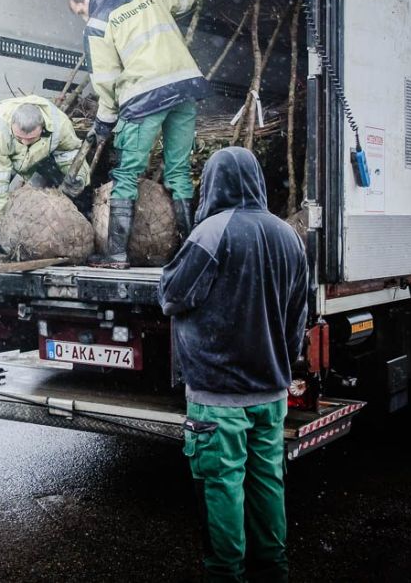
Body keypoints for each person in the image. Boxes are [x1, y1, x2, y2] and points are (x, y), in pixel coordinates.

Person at [159, 147, 308, 582]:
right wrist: (280, 364)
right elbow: (298, 317)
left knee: (222, 488)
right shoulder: (289, 236)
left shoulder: (210, 232)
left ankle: (226, 575)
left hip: (217, 398)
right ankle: (272, 572)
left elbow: (173, 296)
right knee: (268, 484)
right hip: (271, 393)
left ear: (212, 183)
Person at [68, 0, 209, 267]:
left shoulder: (98, 24)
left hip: (145, 97)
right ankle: (191, 254)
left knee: (127, 174)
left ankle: (116, 254)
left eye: (80, 11)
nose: (84, 18)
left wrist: (104, 123)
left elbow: (106, 81)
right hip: (184, 88)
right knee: (179, 172)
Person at [0, 95, 89, 220]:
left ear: (42, 127)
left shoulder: (60, 125)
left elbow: (69, 153)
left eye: (30, 138)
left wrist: (79, 176)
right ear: (11, 124)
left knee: (60, 177)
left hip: (35, 154)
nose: (24, 142)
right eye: (19, 138)